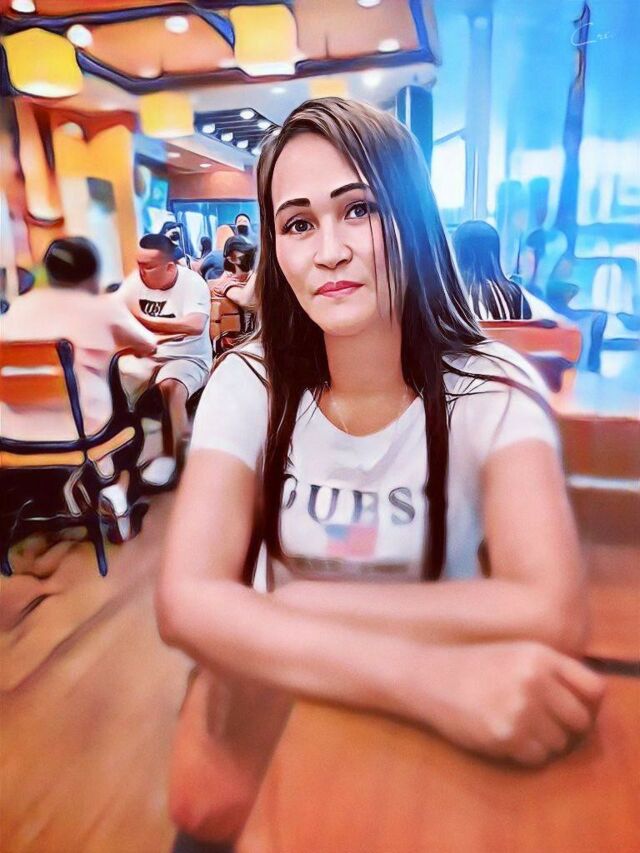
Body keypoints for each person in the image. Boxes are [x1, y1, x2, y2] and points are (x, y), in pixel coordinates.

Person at [157, 98, 604, 843]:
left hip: (425, 748)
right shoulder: (249, 383)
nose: (329, 250)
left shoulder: (490, 388)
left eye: (358, 209)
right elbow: (184, 601)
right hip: (292, 718)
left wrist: (299, 606)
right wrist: (426, 677)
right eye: (298, 224)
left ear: (412, 216)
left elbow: (551, 608)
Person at [2, 236, 156, 442]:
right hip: (81, 429)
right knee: (134, 378)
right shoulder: (103, 307)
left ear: (49, 273)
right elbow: (148, 345)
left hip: (11, 432)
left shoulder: (19, 306)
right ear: (94, 274)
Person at [119, 234, 212, 486]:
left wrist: (145, 321)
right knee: (111, 382)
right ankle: (119, 460)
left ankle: (174, 456)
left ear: (170, 267)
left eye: (148, 266)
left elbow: (194, 325)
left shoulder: (192, 284)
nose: (141, 271)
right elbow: (115, 313)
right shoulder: (134, 282)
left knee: (170, 386)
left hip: (188, 357)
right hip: (146, 356)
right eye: (139, 264)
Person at [453, 220, 563, 322]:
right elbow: (556, 322)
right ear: (495, 254)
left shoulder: (452, 297)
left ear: (456, 254)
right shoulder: (517, 294)